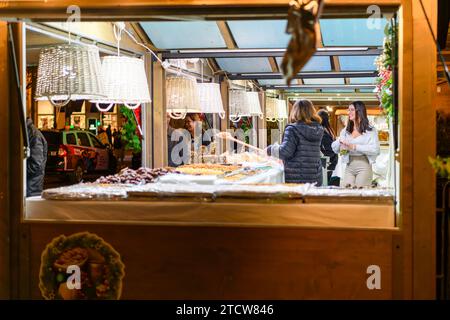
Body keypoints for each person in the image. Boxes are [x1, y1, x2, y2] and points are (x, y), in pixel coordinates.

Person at [266, 100, 324, 185]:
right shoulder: (318, 129)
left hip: (297, 178)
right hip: (315, 176)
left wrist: (270, 149)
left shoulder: (292, 129)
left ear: (295, 111)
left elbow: (285, 152)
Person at [331, 101, 380, 188]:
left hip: (364, 166)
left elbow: (375, 150)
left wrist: (354, 146)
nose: (348, 112)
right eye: (348, 110)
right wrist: (340, 141)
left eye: (352, 110)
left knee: (360, 195)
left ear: (359, 111)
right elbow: (334, 149)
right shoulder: (346, 130)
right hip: (349, 166)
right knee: (346, 193)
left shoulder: (371, 130)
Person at [26, 117, 48, 197]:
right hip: (30, 187)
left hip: (31, 188)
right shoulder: (27, 132)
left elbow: (35, 164)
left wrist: (17, 173)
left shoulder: (33, 134)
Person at [317, 110, 338, 185]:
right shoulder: (329, 130)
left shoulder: (322, 131)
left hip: (327, 163)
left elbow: (329, 149)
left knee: (323, 186)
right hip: (331, 162)